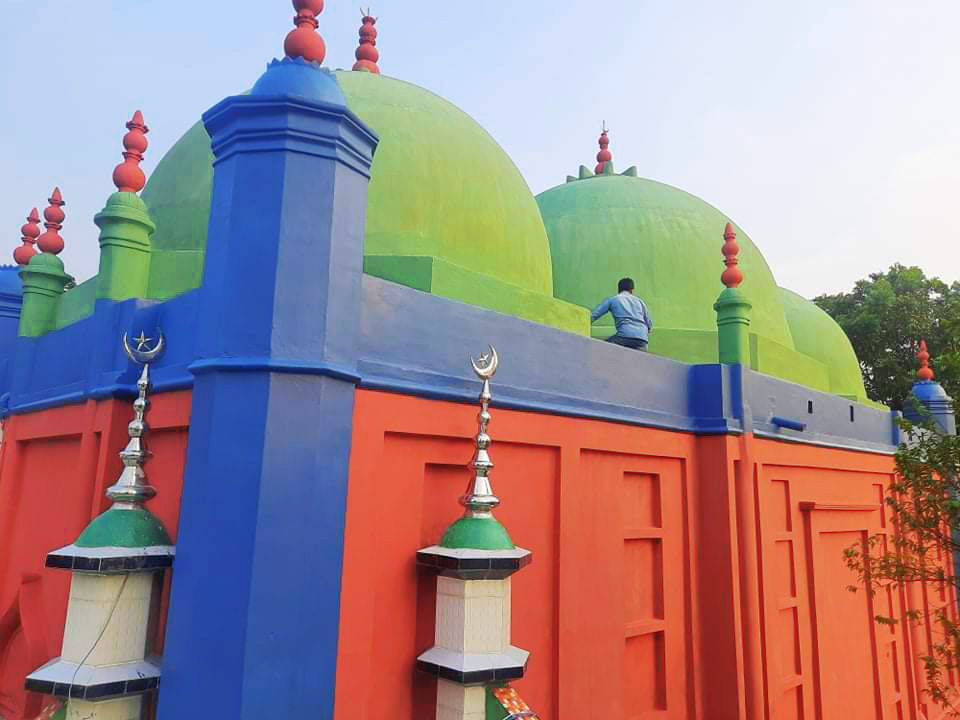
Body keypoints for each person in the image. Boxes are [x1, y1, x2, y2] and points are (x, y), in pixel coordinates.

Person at [591, 277, 653, 351]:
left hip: (623, 336)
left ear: (618, 289)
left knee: (603, 349)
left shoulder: (613, 299)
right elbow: (649, 325)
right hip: (642, 340)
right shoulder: (640, 302)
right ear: (632, 290)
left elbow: (594, 315)